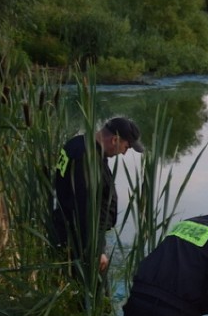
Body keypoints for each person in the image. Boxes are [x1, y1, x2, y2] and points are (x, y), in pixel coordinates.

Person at [52, 117, 144, 275]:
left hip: (70, 233)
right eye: (126, 147)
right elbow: (85, 208)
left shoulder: (77, 144)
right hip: (80, 243)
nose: (123, 153)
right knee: (92, 295)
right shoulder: (87, 159)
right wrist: (96, 250)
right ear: (115, 139)